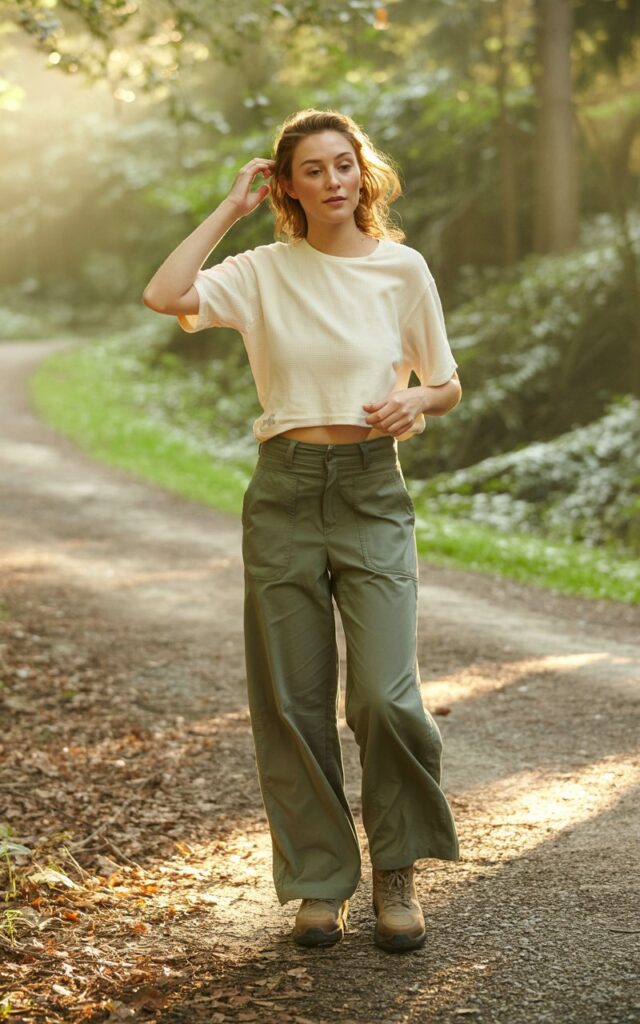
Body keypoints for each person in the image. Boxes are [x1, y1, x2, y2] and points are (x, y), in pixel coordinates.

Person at [143, 108, 462, 954]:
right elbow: (165, 294)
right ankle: (320, 880)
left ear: (364, 172)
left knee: (386, 695)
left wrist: (416, 401)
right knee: (291, 699)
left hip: (372, 492)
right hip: (283, 493)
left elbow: (446, 383)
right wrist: (230, 209)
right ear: (287, 185)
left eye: (343, 164)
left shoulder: (402, 269)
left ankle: (397, 869)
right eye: (312, 169)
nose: (332, 181)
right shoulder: (261, 272)